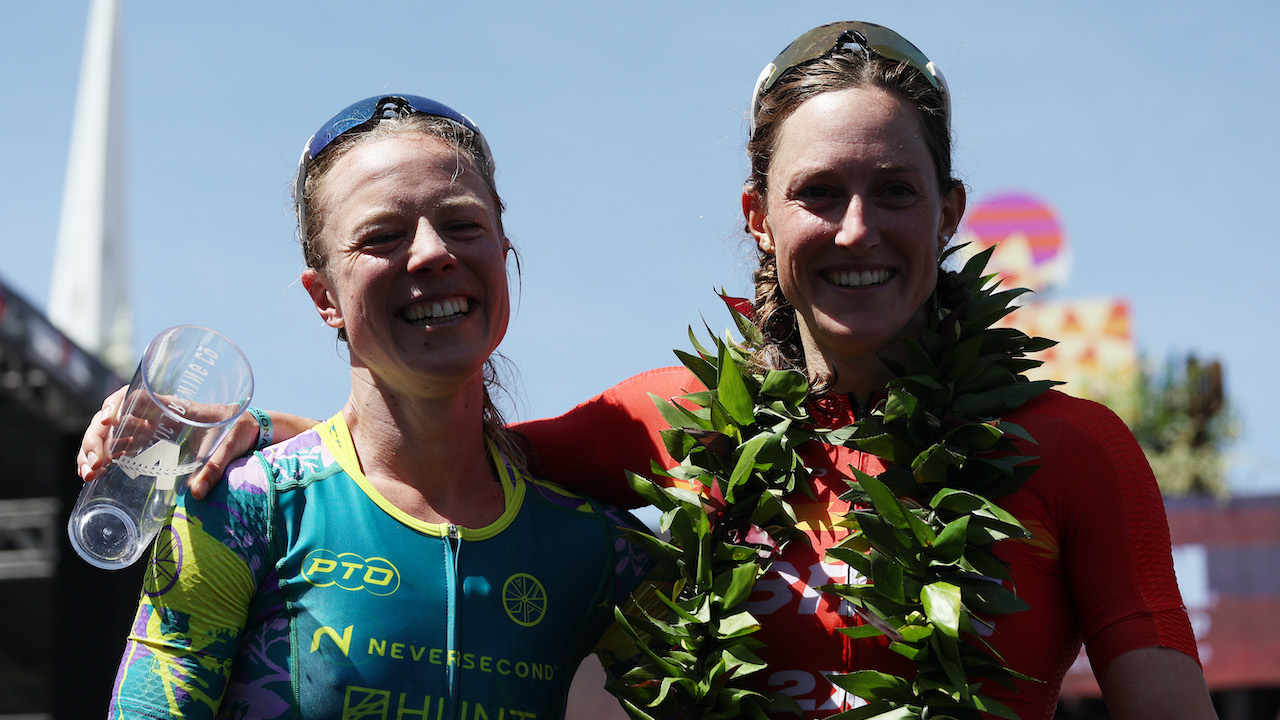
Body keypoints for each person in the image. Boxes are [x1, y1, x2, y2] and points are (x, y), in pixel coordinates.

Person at [81, 24, 1218, 720]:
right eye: (817, 193)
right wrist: (224, 438)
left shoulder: (1074, 453)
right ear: (758, 221)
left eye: (896, 191)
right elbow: (437, 455)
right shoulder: (667, 427)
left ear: (951, 214)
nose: (857, 227)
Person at [94, 94, 658, 720]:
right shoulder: (240, 510)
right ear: (324, 298)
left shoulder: (606, 551)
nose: (430, 252)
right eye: (382, 237)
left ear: (502, 252)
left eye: (464, 225)